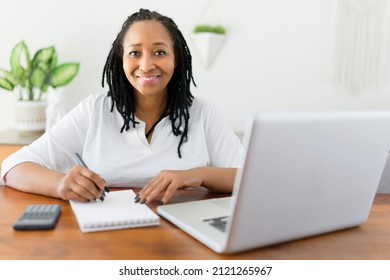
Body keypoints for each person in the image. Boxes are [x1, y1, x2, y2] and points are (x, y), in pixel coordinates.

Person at [0, 8, 243, 205]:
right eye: (135, 53)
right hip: (106, 239)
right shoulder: (93, 112)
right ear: (121, 60)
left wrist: (197, 174)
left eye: (159, 52)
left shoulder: (203, 113)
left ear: (176, 59)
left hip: (185, 240)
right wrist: (60, 185)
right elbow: (13, 167)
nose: (146, 65)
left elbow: (250, 178)